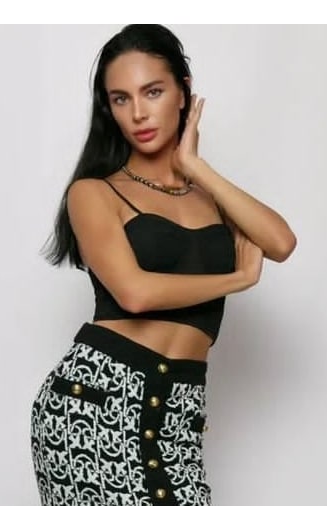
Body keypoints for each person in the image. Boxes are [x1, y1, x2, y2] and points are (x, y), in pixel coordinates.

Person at [30, 24, 296, 506]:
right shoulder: (93, 193)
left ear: (183, 91)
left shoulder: (212, 198)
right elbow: (134, 293)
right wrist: (238, 279)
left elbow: (280, 242)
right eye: (120, 99)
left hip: (179, 411)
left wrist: (195, 167)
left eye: (152, 92)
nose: (138, 113)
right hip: (96, 405)